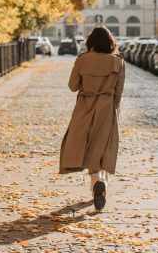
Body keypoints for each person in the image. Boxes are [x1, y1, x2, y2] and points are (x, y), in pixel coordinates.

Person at [59, 26, 125, 211]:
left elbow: (73, 86)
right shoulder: (118, 62)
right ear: (111, 43)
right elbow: (118, 91)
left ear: (90, 42)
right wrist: (113, 108)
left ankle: (96, 181)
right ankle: (100, 181)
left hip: (84, 106)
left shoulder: (82, 59)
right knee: (102, 147)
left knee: (85, 145)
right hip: (106, 107)